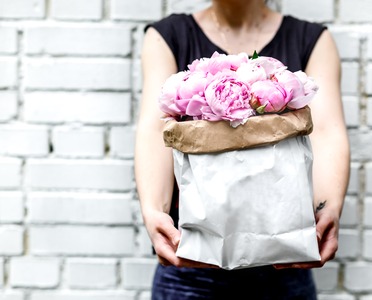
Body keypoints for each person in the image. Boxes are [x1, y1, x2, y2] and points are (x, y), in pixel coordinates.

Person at [134, 0, 350, 299]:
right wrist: (153, 212)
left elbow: (326, 130)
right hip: (191, 262)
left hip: (283, 263)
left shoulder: (311, 39)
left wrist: (328, 208)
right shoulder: (167, 35)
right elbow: (156, 129)